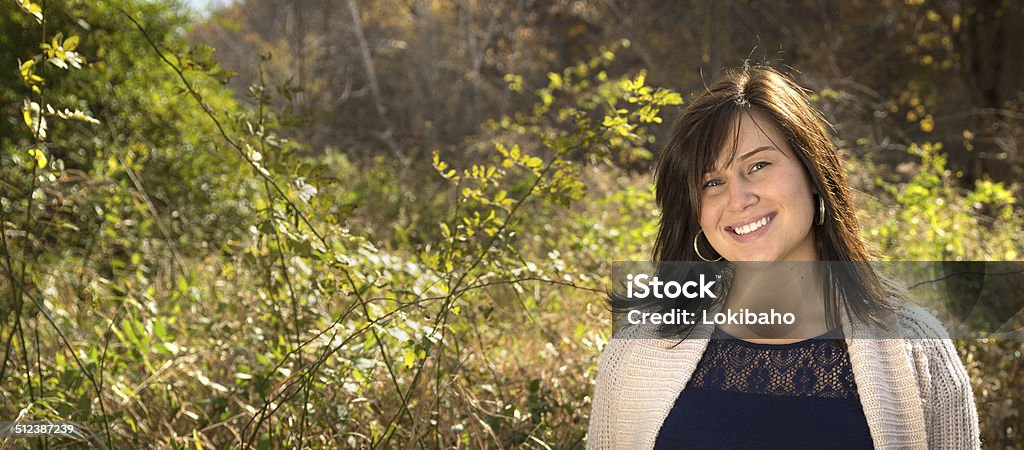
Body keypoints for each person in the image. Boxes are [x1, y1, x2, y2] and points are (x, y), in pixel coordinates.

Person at [586, 65, 980, 449]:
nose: (739, 199)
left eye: (758, 165)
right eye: (713, 182)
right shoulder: (639, 347)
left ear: (813, 174)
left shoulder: (915, 346)